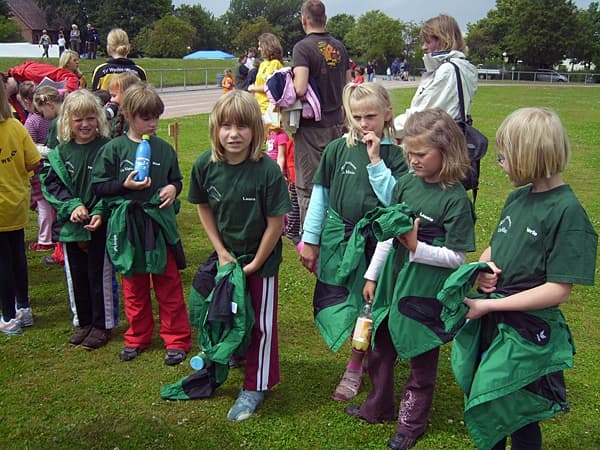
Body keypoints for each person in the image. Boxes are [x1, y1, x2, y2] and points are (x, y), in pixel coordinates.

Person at [452, 107, 597, 450]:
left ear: (530, 157)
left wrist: (493, 306)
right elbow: (496, 246)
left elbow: (559, 290)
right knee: (491, 402)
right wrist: (482, 270)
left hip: (527, 333)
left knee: (519, 412)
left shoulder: (567, 212)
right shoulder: (518, 197)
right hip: (496, 321)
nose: (499, 163)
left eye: (504, 156)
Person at [344, 108, 475, 450]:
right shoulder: (404, 185)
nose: (413, 160)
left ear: (447, 152)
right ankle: (379, 406)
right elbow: (389, 234)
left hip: (426, 292)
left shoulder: (456, 201)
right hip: (392, 284)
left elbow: (457, 258)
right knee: (380, 347)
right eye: (408, 153)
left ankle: (410, 425)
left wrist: (419, 249)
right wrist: (373, 274)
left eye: (420, 154)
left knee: (421, 359)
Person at [299, 83, 407, 401]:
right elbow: (321, 196)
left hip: (379, 244)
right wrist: (310, 239)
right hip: (341, 240)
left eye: (371, 116)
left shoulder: (398, 156)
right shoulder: (337, 150)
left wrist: (376, 161)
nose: (364, 124)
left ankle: (357, 365)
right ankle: (360, 353)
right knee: (340, 300)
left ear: (387, 115)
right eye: (357, 117)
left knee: (370, 306)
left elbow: (394, 202)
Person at [188, 90, 291, 422]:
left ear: (255, 131)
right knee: (226, 313)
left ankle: (255, 386)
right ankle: (230, 354)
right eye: (226, 126)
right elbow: (203, 205)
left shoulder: (267, 171)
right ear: (216, 128)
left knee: (261, 324)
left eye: (243, 127)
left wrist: (258, 263)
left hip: (262, 260)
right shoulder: (206, 164)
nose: (234, 134)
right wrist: (220, 251)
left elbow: (276, 223)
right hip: (227, 258)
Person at [92, 83, 191, 365]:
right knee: (133, 286)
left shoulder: (162, 149)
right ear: (129, 115)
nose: (153, 123)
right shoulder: (115, 149)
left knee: (168, 283)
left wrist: (173, 189)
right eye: (146, 118)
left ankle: (177, 338)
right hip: (128, 227)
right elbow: (99, 186)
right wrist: (122, 185)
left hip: (158, 226)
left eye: (156, 117)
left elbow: (176, 180)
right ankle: (137, 336)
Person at [40, 89, 116, 350]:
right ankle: (83, 321)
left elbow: (114, 186)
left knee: (100, 276)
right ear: (67, 122)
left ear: (99, 119)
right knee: (77, 277)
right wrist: (72, 206)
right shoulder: (59, 154)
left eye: (90, 118)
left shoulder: (108, 149)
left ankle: (102, 324)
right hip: (71, 227)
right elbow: (50, 185)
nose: (85, 124)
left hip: (100, 225)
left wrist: (98, 211)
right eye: (78, 119)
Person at [292, 0, 351, 225]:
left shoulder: (302, 48)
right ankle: (336, 229)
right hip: (337, 122)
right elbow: (349, 87)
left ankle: (311, 237)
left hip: (311, 127)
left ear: (304, 20)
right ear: (325, 19)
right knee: (335, 179)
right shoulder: (340, 47)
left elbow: (299, 87)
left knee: (309, 184)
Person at [394, 14, 478, 139]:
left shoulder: (447, 71)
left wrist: (387, 128)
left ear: (444, 40)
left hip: (437, 143)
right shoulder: (459, 67)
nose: (424, 47)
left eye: (428, 42)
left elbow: (422, 117)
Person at [0, 78, 40, 335]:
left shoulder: (15, 125)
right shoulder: (15, 126)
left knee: (2, 261)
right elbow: (33, 161)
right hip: (16, 202)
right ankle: (23, 307)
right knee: (17, 255)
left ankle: (8, 315)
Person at [19, 82, 53, 253]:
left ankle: (45, 239)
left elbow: (28, 148)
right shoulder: (52, 119)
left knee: (43, 204)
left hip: (38, 169)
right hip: (50, 166)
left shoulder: (32, 122)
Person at [247, 33, 283, 114]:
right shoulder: (263, 64)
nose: (259, 49)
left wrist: (253, 88)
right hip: (259, 107)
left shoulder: (275, 64)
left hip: (268, 109)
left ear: (268, 47)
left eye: (260, 46)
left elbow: (270, 87)